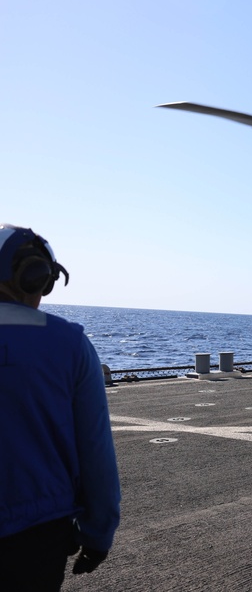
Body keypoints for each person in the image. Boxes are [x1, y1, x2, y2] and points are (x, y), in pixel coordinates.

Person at [0, 224, 121, 590]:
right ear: (34, 278)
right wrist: (98, 534)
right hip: (33, 536)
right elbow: (95, 451)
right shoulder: (69, 345)